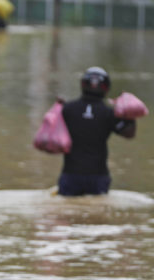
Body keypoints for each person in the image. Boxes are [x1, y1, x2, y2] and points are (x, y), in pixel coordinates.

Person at [57, 66, 136, 196]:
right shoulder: (109, 113)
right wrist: (131, 116)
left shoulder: (67, 109)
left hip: (71, 174)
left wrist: (58, 106)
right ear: (106, 87)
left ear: (83, 84)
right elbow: (129, 134)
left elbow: (49, 133)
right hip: (98, 176)